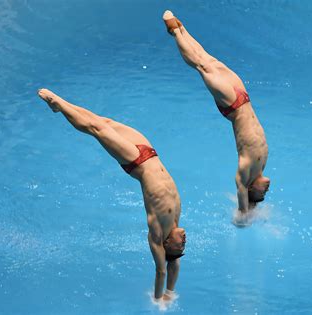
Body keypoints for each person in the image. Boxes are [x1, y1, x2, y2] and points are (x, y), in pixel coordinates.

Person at [37, 88, 186, 301]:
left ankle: (58, 102)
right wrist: (170, 292)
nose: (184, 242)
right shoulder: (174, 221)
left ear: (167, 245)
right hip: (150, 152)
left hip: (137, 162)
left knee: (96, 128)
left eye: (180, 246)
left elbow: (162, 270)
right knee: (103, 121)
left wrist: (159, 299)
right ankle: (59, 107)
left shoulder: (156, 232)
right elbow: (174, 265)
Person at [163, 11, 270, 216]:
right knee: (211, 60)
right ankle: (182, 28)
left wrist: (243, 211)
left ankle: (175, 32)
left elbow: (239, 190)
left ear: (251, 189)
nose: (266, 192)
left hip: (232, 106)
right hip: (244, 97)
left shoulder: (246, 171)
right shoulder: (261, 165)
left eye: (261, 195)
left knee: (202, 67)